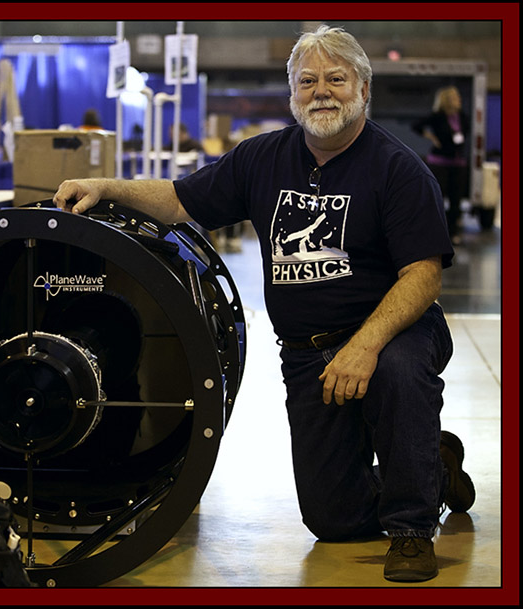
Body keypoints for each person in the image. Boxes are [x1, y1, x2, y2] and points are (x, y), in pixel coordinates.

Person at [53, 24, 475, 583]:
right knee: (332, 518)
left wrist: (365, 345)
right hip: (307, 353)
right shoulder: (262, 159)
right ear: (292, 94)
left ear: (364, 89)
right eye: (307, 81)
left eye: (336, 79)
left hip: (395, 330)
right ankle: (432, 467)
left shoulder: (399, 170)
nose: (321, 91)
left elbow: (422, 279)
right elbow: (181, 199)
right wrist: (107, 185)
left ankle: (411, 529)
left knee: (398, 373)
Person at [412, 86, 469, 245]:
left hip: (458, 163)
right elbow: (416, 126)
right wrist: (431, 137)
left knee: (456, 200)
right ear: (447, 100)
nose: (459, 100)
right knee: (438, 198)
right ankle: (435, 233)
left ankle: (453, 233)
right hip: (440, 163)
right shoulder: (438, 116)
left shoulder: (461, 117)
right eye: (455, 97)